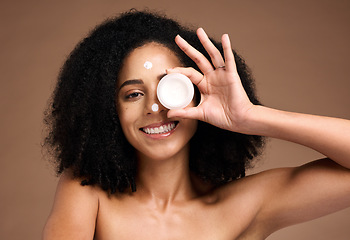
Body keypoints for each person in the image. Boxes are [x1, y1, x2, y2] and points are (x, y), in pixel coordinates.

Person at [42, 9, 350, 240]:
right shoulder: (86, 194)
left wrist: (250, 117)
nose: (154, 107)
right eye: (133, 94)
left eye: (170, 88)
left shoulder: (243, 207)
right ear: (108, 112)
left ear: (196, 94)